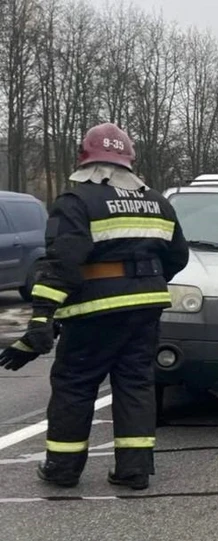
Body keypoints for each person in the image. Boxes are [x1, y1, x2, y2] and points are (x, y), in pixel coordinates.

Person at [0, 123, 189, 490]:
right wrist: (142, 281)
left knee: (75, 385)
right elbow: (177, 257)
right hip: (145, 309)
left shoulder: (77, 202)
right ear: (129, 162)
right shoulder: (158, 203)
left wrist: (41, 318)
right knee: (135, 385)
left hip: (94, 313)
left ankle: (63, 469)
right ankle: (134, 470)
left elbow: (62, 265)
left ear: (84, 159)